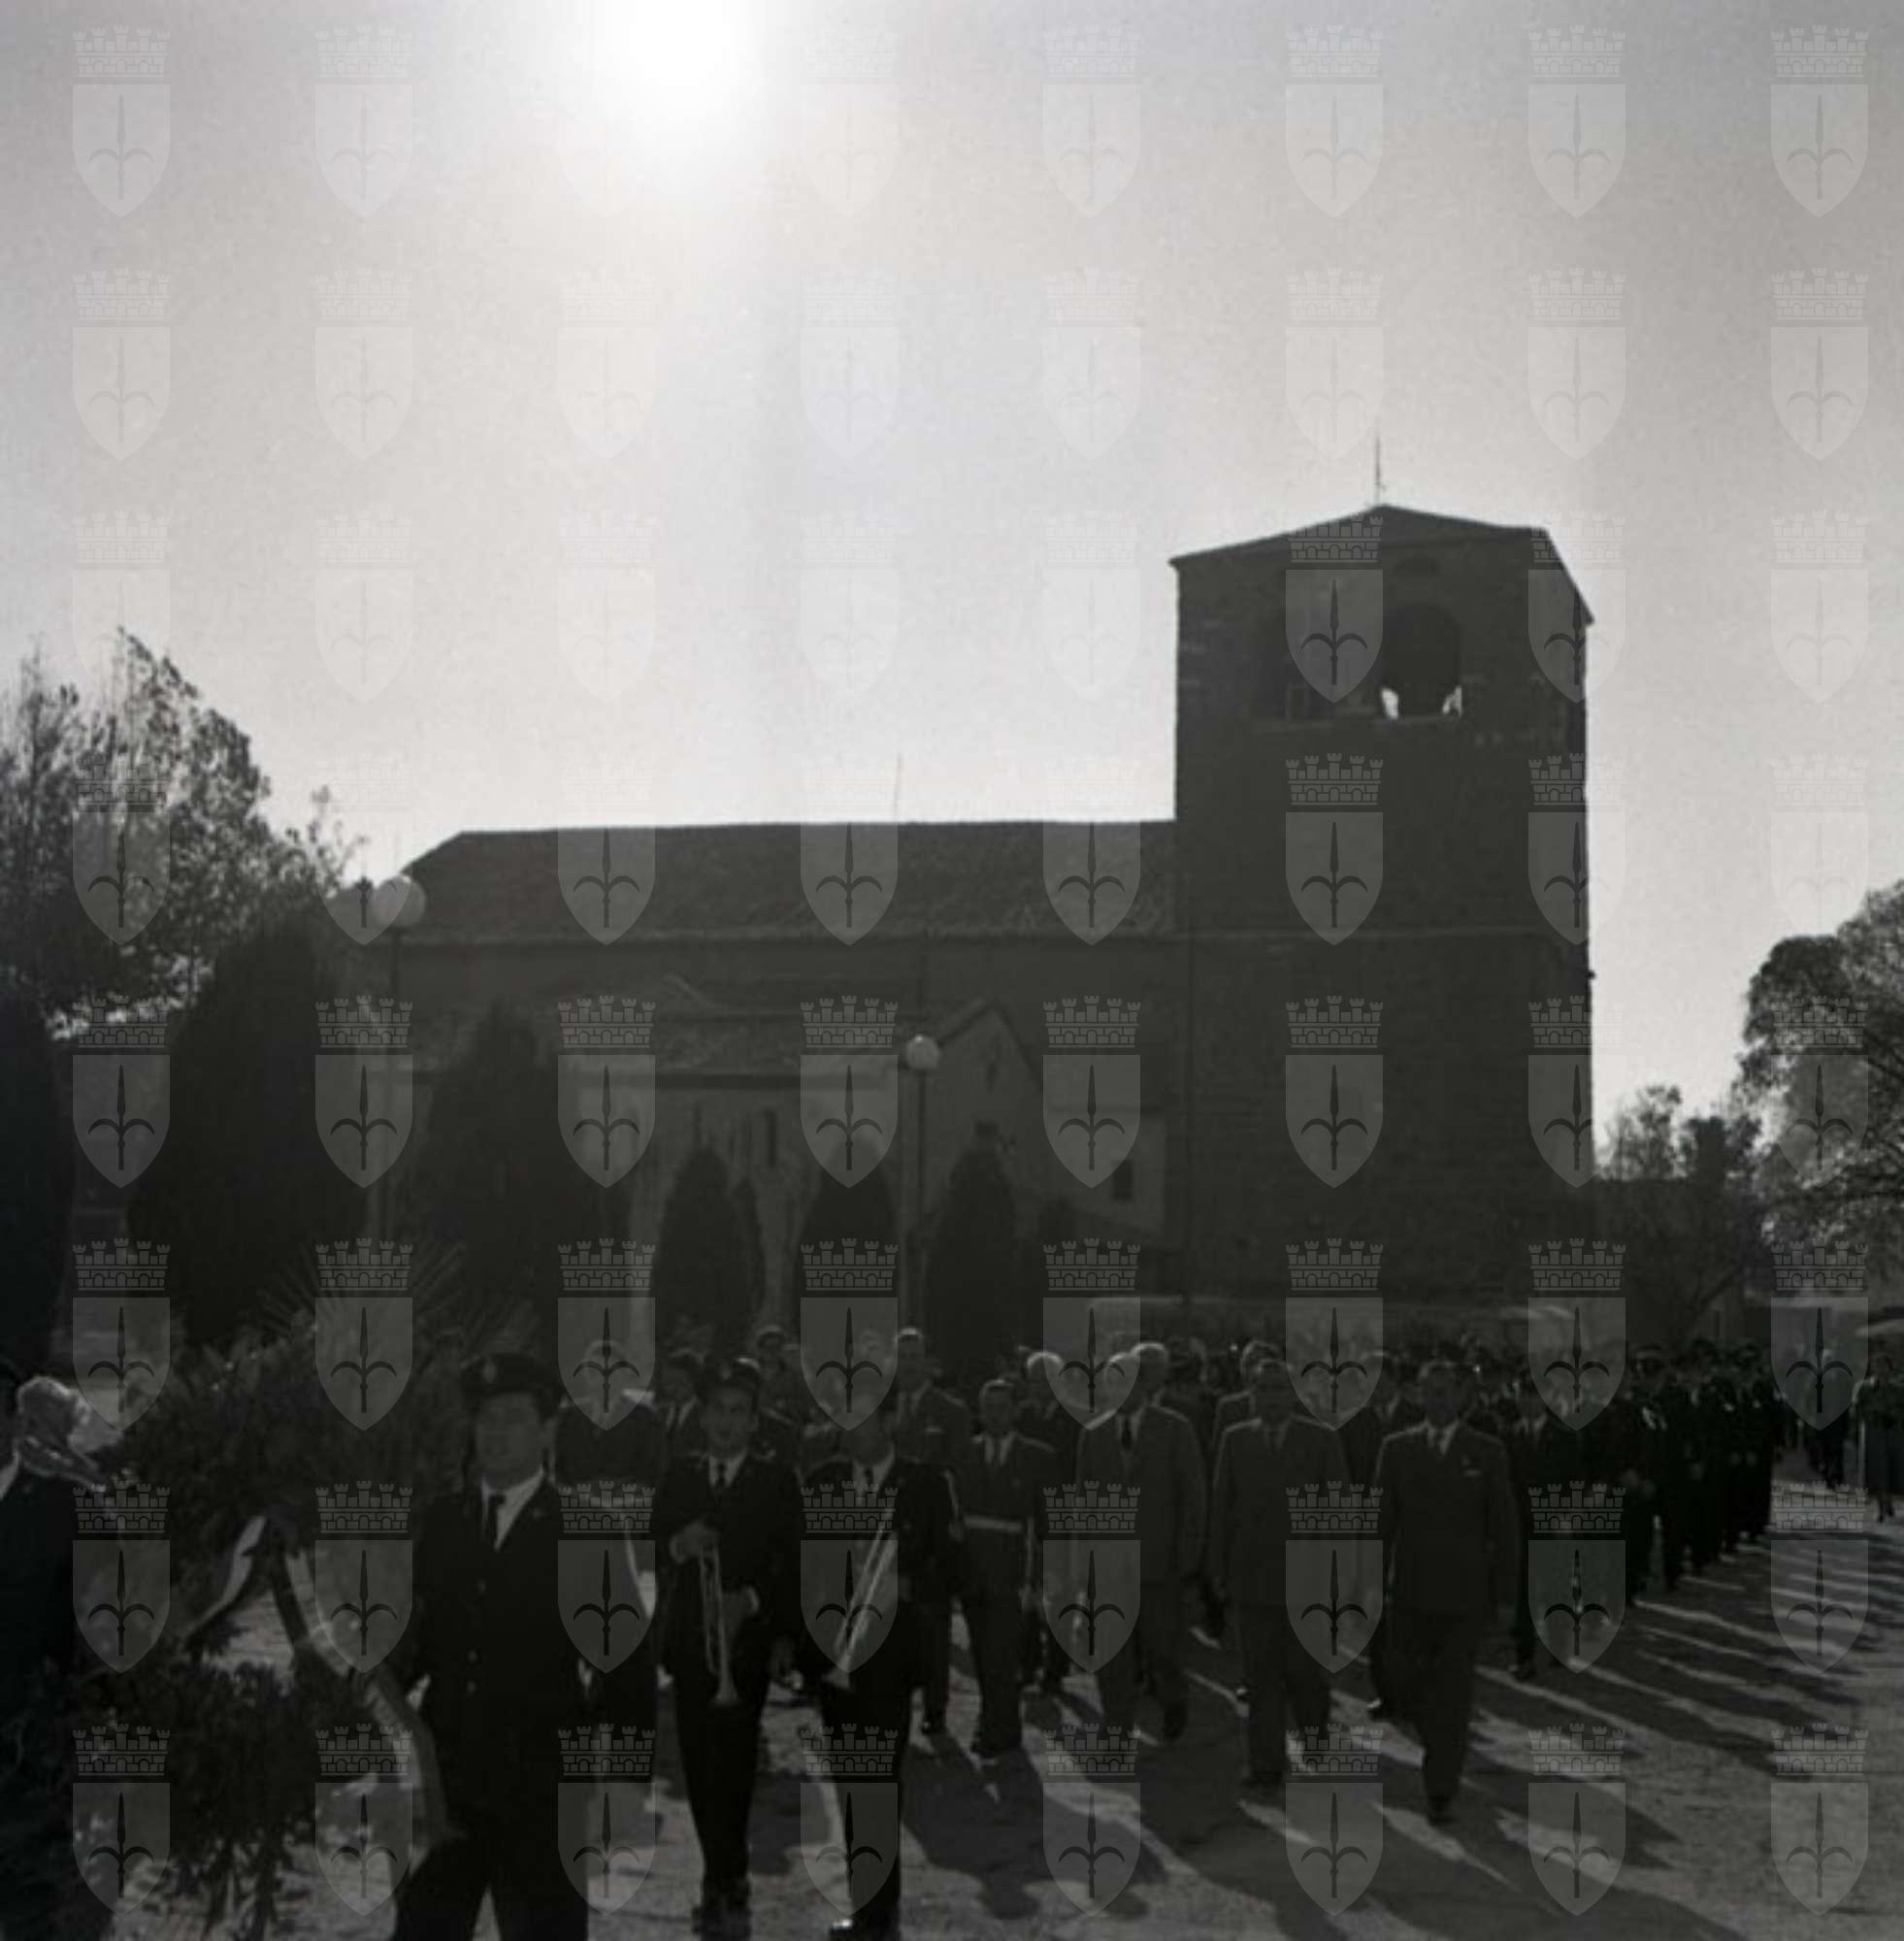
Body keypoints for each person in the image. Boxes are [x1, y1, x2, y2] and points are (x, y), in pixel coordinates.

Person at [384, 1352, 656, 1941]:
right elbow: (416, 1642)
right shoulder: (444, 1522)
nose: (495, 1432)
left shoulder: (586, 1530)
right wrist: (365, 1687)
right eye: (486, 1418)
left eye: (513, 1417)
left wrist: (624, 1786)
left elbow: (628, 1672)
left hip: (544, 1792)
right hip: (449, 1783)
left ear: (548, 1429)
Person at [652, 1357, 803, 1936]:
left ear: (755, 1421)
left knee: (735, 1765)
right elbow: (648, 1545)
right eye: (718, 1410)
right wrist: (678, 1544)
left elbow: (792, 1562)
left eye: (739, 1412)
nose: (726, 1422)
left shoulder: (776, 1481)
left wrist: (756, 1602)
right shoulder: (680, 1474)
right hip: (691, 1646)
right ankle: (718, 1872)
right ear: (703, 1416)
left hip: (747, 1649)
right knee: (697, 1764)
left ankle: (726, 1875)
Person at [802, 1389, 959, 1939]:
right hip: (834, 1654)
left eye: (863, 1419)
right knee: (851, 1783)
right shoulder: (823, 1481)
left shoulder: (924, 1483)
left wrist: (908, 1584)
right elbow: (802, 1563)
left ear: (890, 1421)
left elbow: (953, 1565)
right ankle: (867, 1906)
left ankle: (879, 1913)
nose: (849, 1429)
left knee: (878, 1782)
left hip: (892, 1658)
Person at [1372, 1361, 1518, 1826]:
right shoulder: (1397, 1449)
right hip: (1409, 1593)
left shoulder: (1486, 1451)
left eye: (1445, 1391)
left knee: (1453, 1693)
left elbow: (1505, 1528)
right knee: (1401, 1681)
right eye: (1429, 1391)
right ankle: (1438, 1734)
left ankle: (1440, 1786)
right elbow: (1380, 1527)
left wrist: (1507, 1596)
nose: (1437, 1400)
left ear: (1460, 1396)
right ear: (1418, 1394)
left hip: (1463, 1597)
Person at [1208, 1357, 1348, 1790]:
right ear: (1252, 1394)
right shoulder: (1236, 1440)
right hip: (1253, 1577)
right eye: (1264, 1389)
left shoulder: (1320, 1441)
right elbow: (1222, 1508)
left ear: (1294, 1395)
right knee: (1261, 1675)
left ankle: (1314, 1733)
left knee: (1304, 1673)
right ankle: (1266, 1763)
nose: (1272, 1397)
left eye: (1280, 1388)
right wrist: (1217, 1567)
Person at [1073, 1341, 1206, 1743]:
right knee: (1111, 1651)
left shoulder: (1174, 1429)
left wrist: (1187, 1553)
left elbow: (1193, 1495)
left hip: (1159, 1559)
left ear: (1144, 1386)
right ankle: (1116, 1723)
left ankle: (1173, 1698)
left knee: (1161, 1646)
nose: (1119, 1391)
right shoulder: (1093, 1435)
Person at [953, 1379, 1055, 1758]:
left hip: (1014, 1570)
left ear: (1015, 1411)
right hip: (972, 1570)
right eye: (988, 1407)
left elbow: (1047, 1524)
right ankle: (1004, 1725)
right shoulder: (965, 1453)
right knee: (982, 1653)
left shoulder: (1038, 1457)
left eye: (1001, 1407)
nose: (994, 1415)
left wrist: (1042, 1578)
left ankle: (992, 1727)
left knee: (1003, 1653)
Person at [889, 1330, 968, 1736]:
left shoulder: (951, 1411)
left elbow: (959, 1468)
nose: (907, 1364)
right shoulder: (881, 1406)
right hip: (888, 1529)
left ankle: (935, 1705)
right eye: (901, 1356)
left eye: (914, 1356)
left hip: (931, 1531)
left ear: (927, 1361)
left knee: (933, 1622)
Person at [1855, 1353, 1902, 1520]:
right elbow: (1857, 1410)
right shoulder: (1865, 1388)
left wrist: (1892, 1415)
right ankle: (1881, 1505)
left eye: (1884, 1366)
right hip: (1872, 1433)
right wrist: (1870, 1414)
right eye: (1877, 1365)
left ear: (1890, 1369)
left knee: (1892, 1469)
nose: (1881, 1370)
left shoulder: (1897, 1389)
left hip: (1893, 1433)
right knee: (1876, 1470)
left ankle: (1888, 1501)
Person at [659, 1348, 708, 1460]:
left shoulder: (706, 1416)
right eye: (668, 1383)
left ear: (695, 1381)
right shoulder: (657, 1414)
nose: (673, 1389)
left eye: (680, 1383)